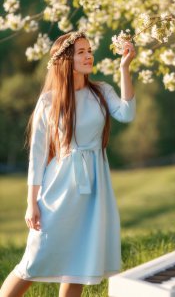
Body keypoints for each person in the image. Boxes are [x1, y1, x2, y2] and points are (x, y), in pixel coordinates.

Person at [0, 30, 136, 297]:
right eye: (81, 52)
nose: (89, 56)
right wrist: (32, 203)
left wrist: (125, 68)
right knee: (32, 261)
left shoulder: (101, 92)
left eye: (89, 51)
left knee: (79, 264)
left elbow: (127, 113)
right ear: (66, 60)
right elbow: (37, 156)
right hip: (59, 188)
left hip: (95, 189)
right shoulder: (49, 101)